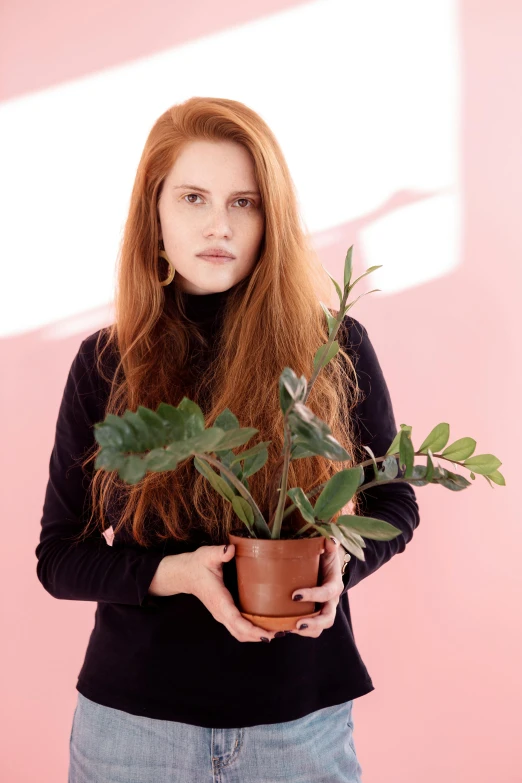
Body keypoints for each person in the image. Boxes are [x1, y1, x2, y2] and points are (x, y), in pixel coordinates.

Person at [36, 97, 420, 782]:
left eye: (245, 202)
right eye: (193, 198)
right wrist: (171, 574)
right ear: (154, 215)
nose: (220, 224)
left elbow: (394, 501)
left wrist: (341, 569)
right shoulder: (106, 361)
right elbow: (59, 556)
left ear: (271, 219)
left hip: (300, 730)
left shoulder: (332, 346)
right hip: (132, 733)